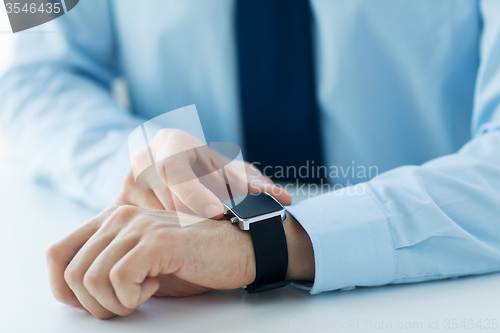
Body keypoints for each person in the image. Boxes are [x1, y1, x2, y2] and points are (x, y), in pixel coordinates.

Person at [1, 0, 500, 320]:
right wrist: (141, 161)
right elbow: (34, 71)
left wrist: (267, 243)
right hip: (188, 295)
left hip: (437, 295)